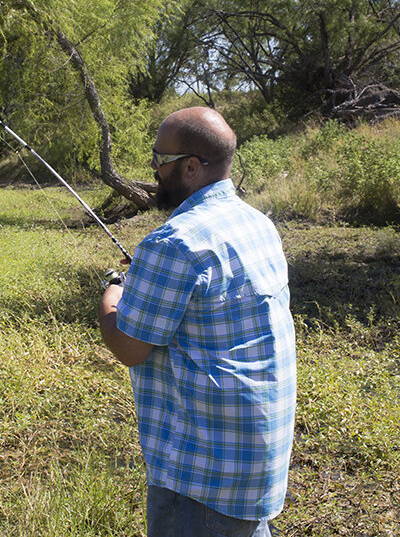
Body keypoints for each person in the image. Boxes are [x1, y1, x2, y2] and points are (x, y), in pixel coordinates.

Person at [98, 106, 296, 537]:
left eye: (159, 159)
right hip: (255, 466)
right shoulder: (259, 224)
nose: (153, 168)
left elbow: (130, 348)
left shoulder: (174, 241)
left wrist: (113, 291)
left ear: (190, 166)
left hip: (202, 478)